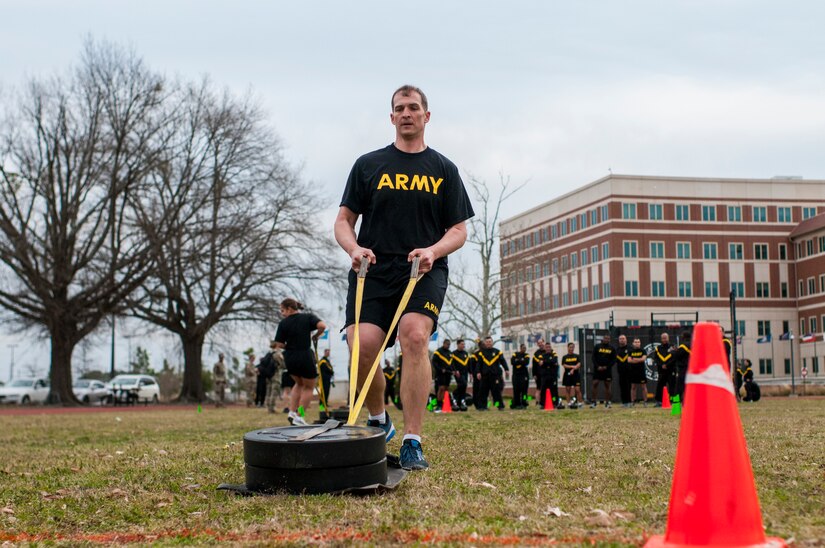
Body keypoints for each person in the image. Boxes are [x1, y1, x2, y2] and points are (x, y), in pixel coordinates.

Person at [334, 84, 474, 470]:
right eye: (400, 108)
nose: (407, 113)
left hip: (421, 270)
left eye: (414, 107)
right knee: (361, 345)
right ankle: (380, 421)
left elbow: (459, 230)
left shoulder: (443, 169)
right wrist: (353, 249)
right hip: (373, 270)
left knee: (414, 337)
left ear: (427, 117)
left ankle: (413, 439)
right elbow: (344, 221)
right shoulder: (368, 165)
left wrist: (433, 251)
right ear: (391, 117)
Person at [273, 298, 327, 426]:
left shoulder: (283, 323)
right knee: (309, 387)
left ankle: (292, 412)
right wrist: (316, 335)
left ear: (289, 309)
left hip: (290, 357)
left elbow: (279, 344)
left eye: (282, 310)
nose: (282, 313)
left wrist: (289, 346)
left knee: (298, 384)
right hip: (304, 355)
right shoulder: (307, 317)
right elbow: (322, 326)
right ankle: (300, 415)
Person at [474, 336, 509, 410]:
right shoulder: (481, 353)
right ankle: (482, 407)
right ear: (485, 343)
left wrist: (506, 369)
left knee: (496, 392)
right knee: (483, 392)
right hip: (485, 376)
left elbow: (503, 361)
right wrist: (478, 372)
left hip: (495, 375)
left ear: (492, 342)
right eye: (487, 342)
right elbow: (479, 364)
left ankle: (500, 406)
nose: (488, 343)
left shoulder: (497, 352)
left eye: (490, 342)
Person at [591, 334, 616, 408]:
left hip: (607, 370)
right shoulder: (597, 346)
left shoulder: (612, 348)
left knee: (607, 385)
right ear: (603, 339)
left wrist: (606, 367)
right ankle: (594, 402)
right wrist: (597, 366)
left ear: (610, 340)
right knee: (595, 383)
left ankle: (607, 402)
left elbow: (613, 360)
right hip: (597, 369)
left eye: (608, 338)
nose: (606, 339)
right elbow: (593, 357)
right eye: (605, 338)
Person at [669, 331, 692, 406]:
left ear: (684, 337)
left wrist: (672, 351)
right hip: (692, 370)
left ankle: (676, 406)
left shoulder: (684, 346)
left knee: (678, 389)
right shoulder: (694, 345)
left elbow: (677, 355)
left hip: (683, 370)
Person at [534, 340, 560, 409]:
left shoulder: (554, 355)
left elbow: (554, 361)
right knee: (543, 390)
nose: (548, 348)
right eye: (547, 347)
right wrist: (549, 363)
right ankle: (542, 404)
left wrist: (545, 363)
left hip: (553, 376)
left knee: (554, 390)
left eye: (549, 347)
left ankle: (555, 403)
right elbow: (540, 364)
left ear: (551, 348)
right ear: (545, 348)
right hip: (544, 376)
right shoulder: (541, 356)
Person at [431, 338, 453, 411]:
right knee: (441, 388)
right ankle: (439, 404)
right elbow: (434, 362)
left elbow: (451, 364)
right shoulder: (438, 352)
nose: (448, 346)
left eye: (449, 344)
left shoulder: (450, 353)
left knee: (446, 388)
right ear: (443, 344)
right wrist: (440, 369)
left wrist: (453, 370)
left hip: (448, 374)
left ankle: (444, 404)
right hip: (440, 374)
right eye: (447, 344)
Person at [652, 332, 673, 407]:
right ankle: (659, 401)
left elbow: (674, 358)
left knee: (672, 386)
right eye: (663, 338)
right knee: (660, 386)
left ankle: (672, 401)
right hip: (661, 370)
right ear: (661, 339)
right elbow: (656, 358)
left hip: (671, 370)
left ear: (668, 338)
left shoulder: (673, 347)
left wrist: (667, 365)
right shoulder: (658, 348)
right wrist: (662, 365)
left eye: (665, 338)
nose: (664, 339)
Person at [561, 342, 583, 408]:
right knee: (568, 390)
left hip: (576, 375)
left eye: (572, 347)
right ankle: (569, 403)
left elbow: (579, 364)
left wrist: (574, 369)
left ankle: (580, 402)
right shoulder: (564, 357)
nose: (571, 348)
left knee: (577, 390)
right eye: (570, 347)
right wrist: (572, 367)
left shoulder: (577, 356)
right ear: (568, 348)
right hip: (567, 376)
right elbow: (564, 365)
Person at [263, 344, 285, 414]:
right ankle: (271, 408)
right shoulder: (278, 354)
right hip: (276, 375)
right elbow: (283, 365)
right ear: (277, 346)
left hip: (268, 376)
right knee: (274, 392)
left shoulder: (269, 353)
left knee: (268, 392)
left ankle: (268, 407)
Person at [450, 339, 471, 411]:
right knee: (463, 384)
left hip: (465, 373)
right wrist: (455, 370)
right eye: (462, 344)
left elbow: (468, 364)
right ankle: (455, 395)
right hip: (458, 373)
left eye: (464, 344)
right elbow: (452, 363)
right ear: (458, 344)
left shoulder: (465, 353)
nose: (463, 346)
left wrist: (470, 372)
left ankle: (461, 401)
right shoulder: (453, 353)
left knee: (464, 386)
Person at [627, 338, 648, 406]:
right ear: (633, 343)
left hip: (641, 372)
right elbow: (629, 360)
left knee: (643, 387)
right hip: (633, 372)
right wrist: (639, 359)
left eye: (638, 342)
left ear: (640, 343)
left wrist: (635, 359)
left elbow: (643, 359)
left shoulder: (643, 351)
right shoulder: (630, 351)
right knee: (633, 387)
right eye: (635, 342)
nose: (637, 343)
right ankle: (633, 401)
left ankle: (645, 402)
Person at [510, 343, 530, 409]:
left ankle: (524, 403)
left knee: (524, 390)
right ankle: (517, 404)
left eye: (525, 348)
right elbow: (512, 362)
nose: (524, 349)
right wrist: (521, 360)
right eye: (523, 348)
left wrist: (518, 360)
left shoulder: (527, 355)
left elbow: (526, 362)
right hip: (516, 375)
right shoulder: (515, 354)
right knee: (516, 390)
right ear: (520, 348)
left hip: (524, 375)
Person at [615, 335, 632, 407]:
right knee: (622, 387)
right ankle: (624, 402)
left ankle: (629, 402)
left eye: (623, 339)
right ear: (618, 340)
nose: (622, 340)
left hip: (629, 371)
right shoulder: (617, 350)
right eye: (620, 339)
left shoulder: (630, 349)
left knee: (629, 387)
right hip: (620, 371)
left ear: (626, 340)